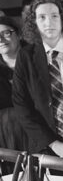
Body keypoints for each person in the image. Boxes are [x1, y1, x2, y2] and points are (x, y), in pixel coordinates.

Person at [13, 0, 63, 158]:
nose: (48, 22)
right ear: (34, 22)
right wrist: (53, 143)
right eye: (42, 17)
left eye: (54, 16)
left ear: (62, 19)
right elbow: (21, 105)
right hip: (45, 141)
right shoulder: (26, 55)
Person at [0, 16, 28, 149]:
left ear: (19, 34)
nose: (1, 40)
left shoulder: (36, 60)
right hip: (8, 138)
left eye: (6, 33)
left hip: (42, 130)